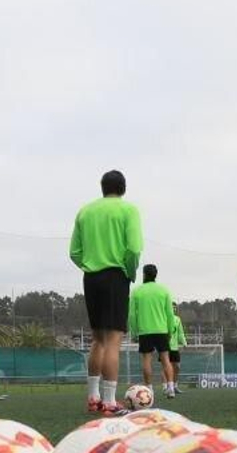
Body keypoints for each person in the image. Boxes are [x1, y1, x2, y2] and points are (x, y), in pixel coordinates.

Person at [70, 169, 142, 415]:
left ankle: (93, 397)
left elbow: (74, 253)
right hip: (115, 276)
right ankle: (110, 402)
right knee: (113, 340)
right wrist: (129, 272)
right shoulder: (128, 210)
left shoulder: (85, 211)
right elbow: (133, 249)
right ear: (123, 188)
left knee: (98, 339)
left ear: (102, 188)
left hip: (90, 277)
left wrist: (91, 265)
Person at [127, 263, 174, 393]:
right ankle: (170, 388)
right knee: (166, 359)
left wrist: (135, 331)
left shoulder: (137, 291)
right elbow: (170, 313)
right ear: (155, 275)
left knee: (147, 360)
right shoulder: (164, 290)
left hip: (144, 331)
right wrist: (170, 330)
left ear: (143, 274)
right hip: (161, 330)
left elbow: (131, 315)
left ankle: (149, 390)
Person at [166, 310, 186, 397]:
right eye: (171, 306)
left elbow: (180, 332)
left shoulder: (177, 319)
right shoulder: (164, 318)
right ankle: (166, 387)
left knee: (177, 367)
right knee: (166, 367)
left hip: (175, 347)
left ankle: (175, 386)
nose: (173, 309)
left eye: (174, 307)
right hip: (165, 347)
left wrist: (184, 342)